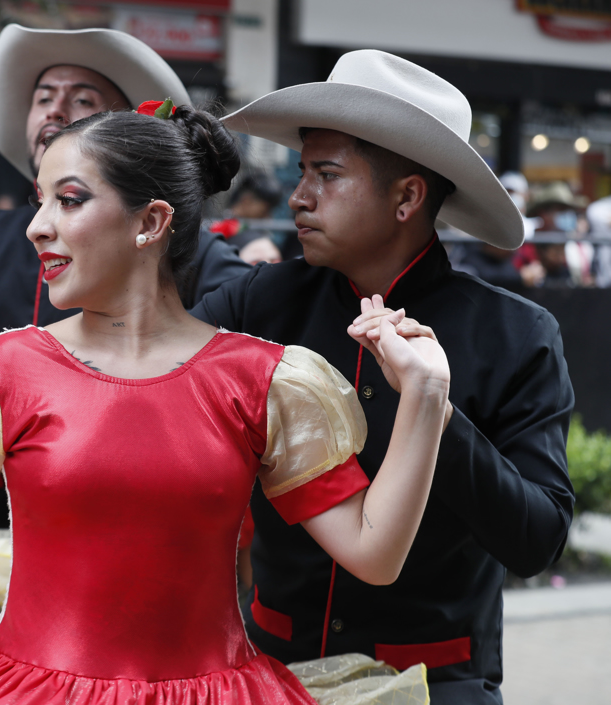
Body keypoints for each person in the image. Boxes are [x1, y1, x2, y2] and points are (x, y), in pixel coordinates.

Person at [0, 102, 448, 705]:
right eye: (39, 201)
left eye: (70, 200)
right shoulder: (2, 369)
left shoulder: (265, 381)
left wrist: (424, 394)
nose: (37, 226)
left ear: (151, 222)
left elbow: (374, 554)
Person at [195, 50, 574, 703]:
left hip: (436, 683)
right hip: (269, 672)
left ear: (407, 196)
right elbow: (151, 384)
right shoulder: (257, 303)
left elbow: (537, 538)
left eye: (326, 173)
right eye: (302, 170)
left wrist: (439, 412)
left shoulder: (516, 334)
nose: (298, 195)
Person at [0, 24, 251, 532]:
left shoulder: (200, 272)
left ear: (153, 224)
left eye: (80, 99)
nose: (55, 110)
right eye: (43, 96)